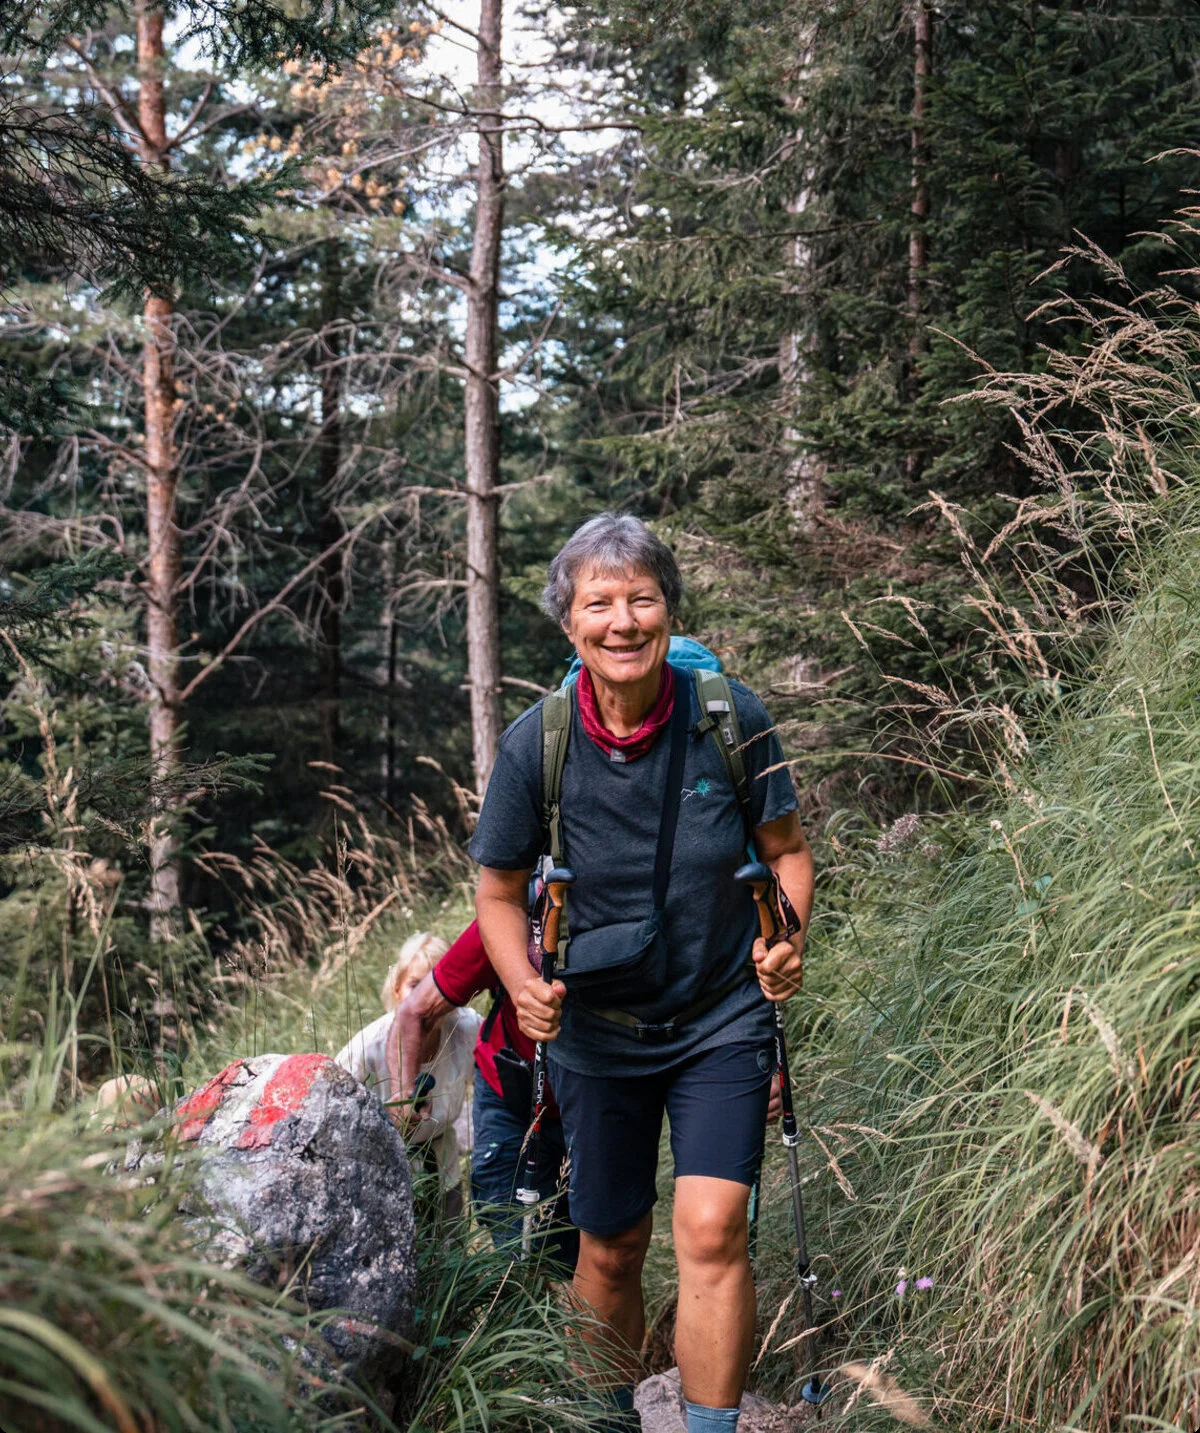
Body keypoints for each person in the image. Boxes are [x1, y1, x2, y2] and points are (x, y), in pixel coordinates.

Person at [470, 513, 813, 1433]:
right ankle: (607, 1422)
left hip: (719, 1017)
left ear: (668, 611)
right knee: (611, 1246)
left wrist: (787, 940)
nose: (622, 620)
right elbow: (496, 890)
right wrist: (523, 983)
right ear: (570, 623)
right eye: (600, 602)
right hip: (594, 1028)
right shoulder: (535, 743)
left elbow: (787, 853)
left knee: (710, 1229)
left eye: (642, 599)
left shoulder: (729, 718)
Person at [389, 918, 579, 1271]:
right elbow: (414, 1012)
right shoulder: (516, 916)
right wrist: (402, 1097)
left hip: (588, 1108)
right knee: (515, 1254)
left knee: (585, 1254)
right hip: (512, 1104)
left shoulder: (466, 1028)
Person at [335, 931, 480, 1220]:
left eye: (435, 986)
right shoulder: (368, 1048)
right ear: (397, 988)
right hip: (383, 1177)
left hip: (444, 1169)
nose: (425, 998)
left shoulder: (466, 1029)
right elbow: (334, 1112)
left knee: (451, 1254)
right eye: (415, 985)